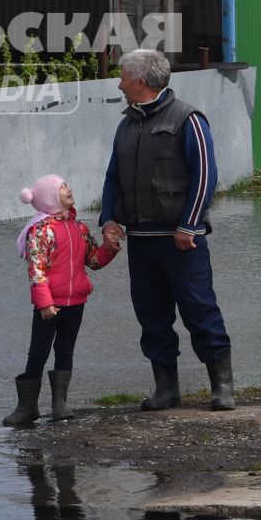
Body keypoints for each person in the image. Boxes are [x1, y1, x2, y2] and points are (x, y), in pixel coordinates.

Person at [98, 49, 233, 412]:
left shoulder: (188, 119)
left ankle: (222, 389)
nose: (120, 83)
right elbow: (113, 178)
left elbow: (206, 177)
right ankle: (166, 390)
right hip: (141, 241)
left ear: (140, 81)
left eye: (123, 77)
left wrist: (189, 225)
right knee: (151, 316)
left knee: (200, 311)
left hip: (182, 242)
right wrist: (109, 220)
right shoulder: (126, 124)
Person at [3, 174, 119, 427]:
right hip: (50, 305)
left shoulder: (80, 229)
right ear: (49, 199)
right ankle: (27, 407)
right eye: (62, 187)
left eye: (67, 184)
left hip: (76, 301)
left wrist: (109, 248)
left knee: (65, 349)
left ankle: (60, 404)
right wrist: (44, 302)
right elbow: (36, 269)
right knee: (38, 352)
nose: (69, 188)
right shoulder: (41, 231)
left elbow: (93, 261)